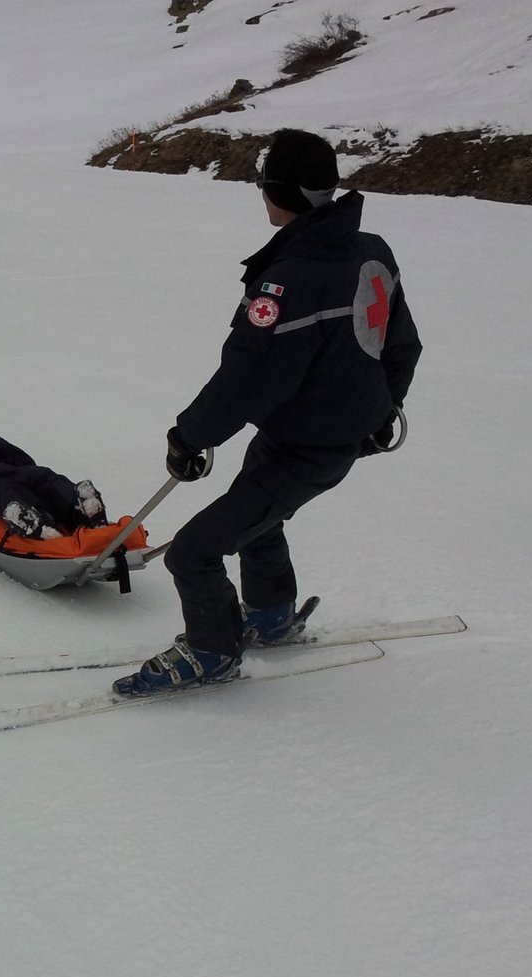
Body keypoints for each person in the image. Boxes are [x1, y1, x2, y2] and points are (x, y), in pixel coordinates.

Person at [114, 128, 423, 698]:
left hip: (309, 445)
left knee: (193, 551)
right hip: (312, 432)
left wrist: (190, 435)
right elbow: (402, 345)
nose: (260, 194)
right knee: (255, 519)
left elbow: (250, 377)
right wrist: (383, 407)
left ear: (281, 191)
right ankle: (271, 615)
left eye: (263, 184)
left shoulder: (289, 279)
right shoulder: (370, 251)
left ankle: (212, 651)